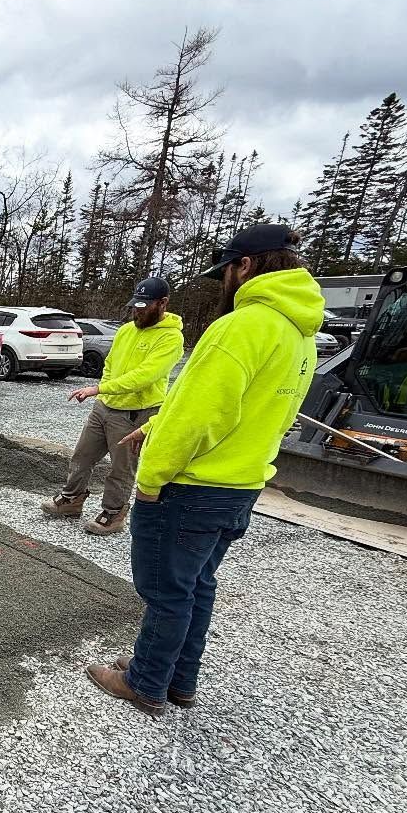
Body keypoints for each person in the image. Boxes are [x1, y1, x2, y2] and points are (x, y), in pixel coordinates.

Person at [86, 224, 323, 716]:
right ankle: (178, 680)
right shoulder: (299, 335)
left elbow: (202, 415)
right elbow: (249, 408)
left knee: (165, 591)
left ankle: (146, 682)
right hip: (240, 485)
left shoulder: (242, 325)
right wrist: (155, 425)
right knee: (196, 584)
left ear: (246, 265)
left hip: (192, 487)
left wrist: (150, 481)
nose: (223, 284)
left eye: (226, 272)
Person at [43, 277, 184, 535]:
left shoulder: (171, 339)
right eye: (135, 306)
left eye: (144, 307)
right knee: (82, 456)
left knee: (121, 467)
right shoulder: (126, 330)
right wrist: (103, 392)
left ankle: (113, 513)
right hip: (104, 406)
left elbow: (145, 376)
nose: (138, 312)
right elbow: (110, 366)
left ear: (162, 303)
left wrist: (98, 389)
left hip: (134, 413)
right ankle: (72, 499)